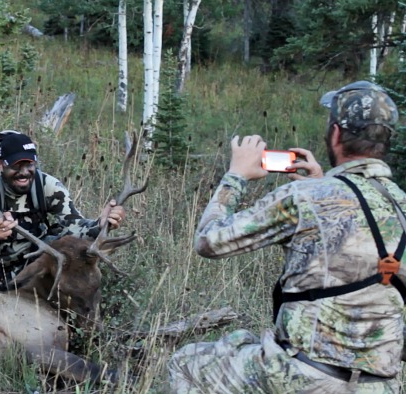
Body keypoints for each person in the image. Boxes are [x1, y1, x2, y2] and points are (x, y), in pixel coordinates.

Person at [168, 80, 406, 393]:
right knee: (244, 342)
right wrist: (322, 183)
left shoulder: (304, 197)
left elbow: (209, 241)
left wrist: (235, 176)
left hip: (304, 376)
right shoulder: (400, 203)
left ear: (335, 134)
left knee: (187, 363)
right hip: (381, 385)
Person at [0, 132, 126, 291]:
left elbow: (75, 228)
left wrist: (99, 225)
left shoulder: (47, 186)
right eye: (16, 165)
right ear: (1, 165)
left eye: (29, 164)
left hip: (35, 259)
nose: (24, 173)